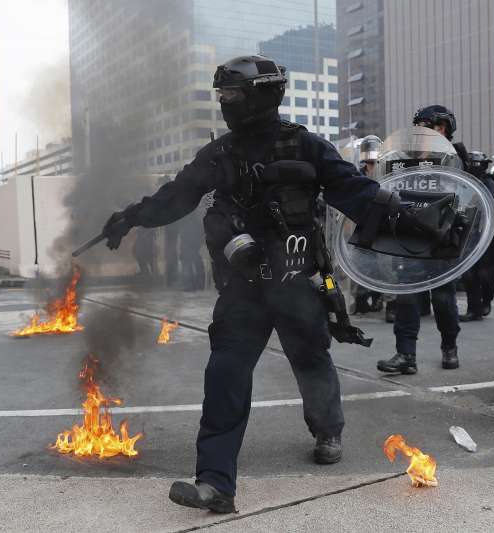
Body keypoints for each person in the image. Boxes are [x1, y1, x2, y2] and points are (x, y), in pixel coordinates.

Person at [100, 55, 393, 513]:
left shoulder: (307, 147)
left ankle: (327, 430)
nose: (225, 104)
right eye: (221, 96)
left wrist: (411, 217)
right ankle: (215, 484)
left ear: (262, 94)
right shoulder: (220, 154)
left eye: (232, 95)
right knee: (225, 378)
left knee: (312, 361)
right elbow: (177, 195)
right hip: (243, 290)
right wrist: (131, 218)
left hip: (297, 282)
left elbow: (356, 193)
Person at [376, 104, 461, 374]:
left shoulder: (452, 158)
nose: (431, 132)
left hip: (441, 235)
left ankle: (450, 348)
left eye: (437, 127)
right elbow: (386, 188)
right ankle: (405, 356)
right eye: (425, 126)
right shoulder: (400, 158)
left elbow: (464, 194)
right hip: (410, 235)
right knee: (406, 298)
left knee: (444, 299)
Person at [459, 151, 494, 321]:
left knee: (484, 273)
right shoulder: (465, 183)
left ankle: (486, 301)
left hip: (486, 233)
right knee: (469, 273)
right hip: (469, 233)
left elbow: (493, 206)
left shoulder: (489, 183)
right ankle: (473, 308)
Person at [352, 135, 385, 314]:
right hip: (363, 226)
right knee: (362, 266)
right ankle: (361, 300)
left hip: (383, 228)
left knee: (385, 268)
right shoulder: (357, 175)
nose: (371, 165)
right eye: (369, 162)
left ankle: (385, 301)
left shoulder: (388, 172)